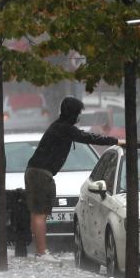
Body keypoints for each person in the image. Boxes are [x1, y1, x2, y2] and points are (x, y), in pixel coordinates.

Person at [26, 97, 118, 258]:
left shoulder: (58, 126)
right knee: (40, 213)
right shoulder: (65, 128)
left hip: (35, 171)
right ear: (74, 113)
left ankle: (39, 250)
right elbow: (88, 138)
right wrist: (115, 141)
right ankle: (41, 252)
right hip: (41, 173)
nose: (79, 117)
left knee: (36, 212)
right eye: (79, 113)